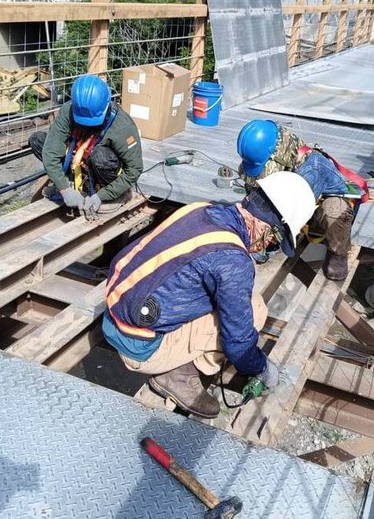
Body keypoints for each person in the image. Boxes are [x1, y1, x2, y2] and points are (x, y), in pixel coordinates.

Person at [103, 171, 317, 418]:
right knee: (255, 310)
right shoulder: (233, 262)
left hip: (116, 309)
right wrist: (261, 367)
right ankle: (179, 376)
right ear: (268, 229)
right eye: (273, 242)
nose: (266, 248)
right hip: (139, 348)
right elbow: (238, 343)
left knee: (226, 299)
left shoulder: (201, 209)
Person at [236, 119, 369, 281]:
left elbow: (289, 213)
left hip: (319, 206)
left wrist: (266, 241)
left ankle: (338, 253)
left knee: (334, 211)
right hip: (298, 197)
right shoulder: (275, 154)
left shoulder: (311, 169)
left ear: (275, 155)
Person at [28, 74, 143, 219]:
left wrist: (102, 196)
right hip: (78, 160)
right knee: (38, 140)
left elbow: (134, 169)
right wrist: (65, 189)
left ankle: (115, 194)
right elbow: (50, 152)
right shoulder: (68, 111)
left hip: (101, 165)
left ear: (107, 105)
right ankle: (69, 183)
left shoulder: (122, 127)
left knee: (100, 156)